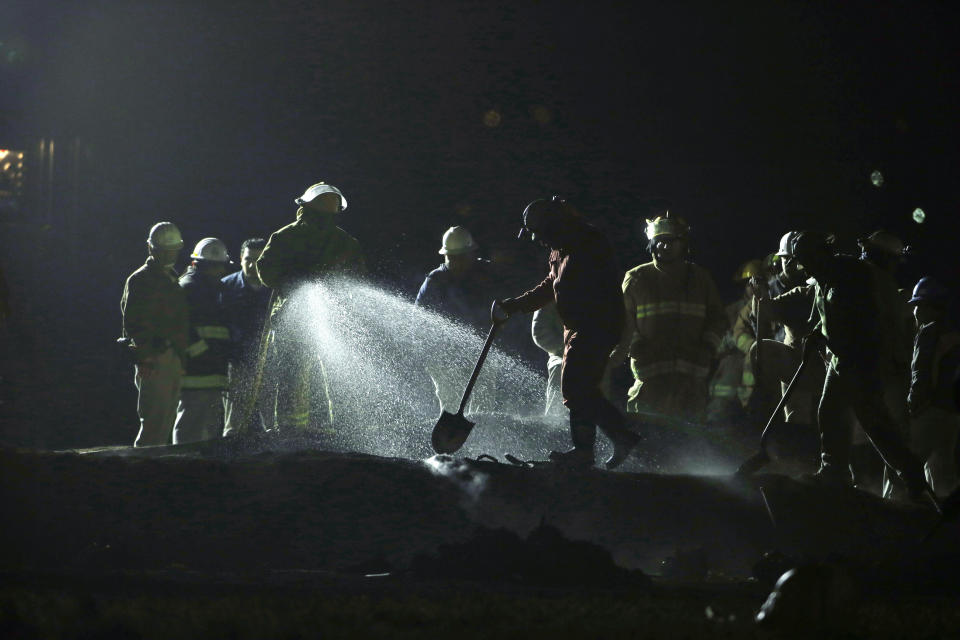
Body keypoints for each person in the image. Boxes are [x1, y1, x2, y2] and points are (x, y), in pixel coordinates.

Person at [495, 196, 640, 469]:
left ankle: (594, 448)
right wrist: (516, 305)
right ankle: (613, 439)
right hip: (579, 327)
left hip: (596, 324)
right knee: (580, 389)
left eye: (538, 233)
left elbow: (594, 287)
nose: (538, 241)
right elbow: (552, 284)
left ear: (552, 225)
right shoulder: (560, 250)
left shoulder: (588, 242)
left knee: (576, 387)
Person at [789, 231, 930, 502]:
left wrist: (829, 340)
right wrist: (817, 332)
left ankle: (913, 476)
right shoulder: (823, 277)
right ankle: (835, 472)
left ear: (823, 253)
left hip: (863, 360)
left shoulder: (852, 275)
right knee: (829, 412)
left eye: (807, 259)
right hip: (842, 359)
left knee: (874, 422)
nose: (806, 266)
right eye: (802, 261)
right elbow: (828, 315)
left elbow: (861, 323)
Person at [256, 182, 365, 435]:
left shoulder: (339, 241)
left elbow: (356, 278)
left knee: (314, 375)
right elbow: (267, 269)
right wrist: (295, 283)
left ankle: (305, 430)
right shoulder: (291, 237)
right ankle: (303, 430)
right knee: (301, 375)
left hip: (324, 318)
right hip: (297, 318)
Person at [614, 212, 727, 423]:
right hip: (650, 374)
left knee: (690, 438)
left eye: (671, 241)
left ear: (683, 244)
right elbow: (622, 320)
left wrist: (708, 347)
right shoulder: (636, 277)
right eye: (660, 241)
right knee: (646, 433)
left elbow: (718, 319)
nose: (665, 247)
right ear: (652, 244)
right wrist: (636, 347)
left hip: (692, 374)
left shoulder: (700, 278)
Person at [415, 226, 505, 412]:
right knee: (451, 405)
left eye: (461, 257)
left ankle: (484, 437)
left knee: (483, 407)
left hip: (482, 352)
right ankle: (450, 439)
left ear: (472, 254)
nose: (456, 263)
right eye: (451, 258)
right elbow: (419, 323)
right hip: (444, 357)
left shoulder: (487, 275)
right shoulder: (435, 281)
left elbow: (504, 306)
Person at [120, 222, 189, 447]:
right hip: (155, 358)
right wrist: (145, 358)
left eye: (173, 250)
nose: (170, 255)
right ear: (151, 248)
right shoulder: (142, 280)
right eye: (165, 250)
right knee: (153, 422)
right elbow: (134, 322)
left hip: (170, 355)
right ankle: (143, 471)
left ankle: (157, 470)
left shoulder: (170, 278)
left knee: (165, 419)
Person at [174, 238, 232, 444]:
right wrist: (199, 351)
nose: (217, 271)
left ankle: (202, 469)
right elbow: (179, 325)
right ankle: (182, 466)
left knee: (208, 427)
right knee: (191, 423)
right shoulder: (188, 287)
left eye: (219, 266)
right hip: (195, 369)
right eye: (212, 266)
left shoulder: (215, 289)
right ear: (196, 264)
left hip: (213, 369)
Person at [907, 277, 960, 496]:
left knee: (906, 466)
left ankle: (894, 511)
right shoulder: (954, 333)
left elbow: (921, 372)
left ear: (931, 307)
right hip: (953, 412)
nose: (915, 310)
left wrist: (914, 403)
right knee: (941, 470)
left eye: (919, 304)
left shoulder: (928, 332)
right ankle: (944, 520)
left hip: (929, 409)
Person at [221, 237, 272, 436]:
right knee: (234, 421)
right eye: (248, 259)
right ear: (240, 257)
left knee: (272, 419)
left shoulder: (275, 288)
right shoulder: (226, 287)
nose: (252, 265)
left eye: (258, 261)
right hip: (237, 363)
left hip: (269, 362)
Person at [531, 302, 566, 419]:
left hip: (594, 357)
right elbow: (539, 331)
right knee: (561, 373)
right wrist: (564, 347)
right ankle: (554, 427)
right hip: (560, 355)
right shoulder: (552, 295)